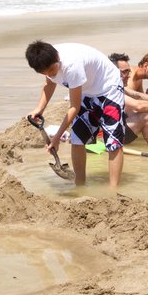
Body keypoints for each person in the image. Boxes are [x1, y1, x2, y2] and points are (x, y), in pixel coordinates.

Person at [26, 41, 126, 187]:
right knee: (77, 139)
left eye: (52, 69)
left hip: (108, 88)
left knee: (113, 142)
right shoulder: (45, 59)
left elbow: (74, 106)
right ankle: (80, 185)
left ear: (57, 57)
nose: (51, 74)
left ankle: (112, 190)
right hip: (86, 90)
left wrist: (57, 138)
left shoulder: (72, 65)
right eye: (45, 72)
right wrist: (39, 108)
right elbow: (49, 83)